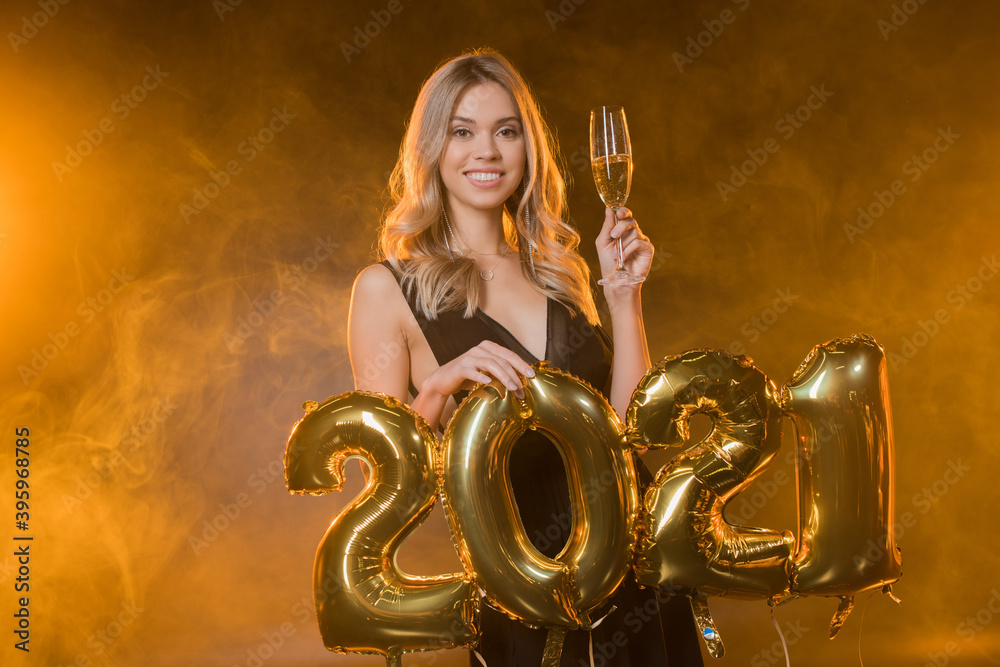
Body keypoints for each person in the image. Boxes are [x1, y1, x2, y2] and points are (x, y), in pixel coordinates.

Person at [348, 48, 703, 666]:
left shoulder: (558, 272)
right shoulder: (386, 288)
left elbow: (627, 443)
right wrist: (437, 387)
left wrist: (623, 298)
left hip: (636, 578)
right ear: (432, 148)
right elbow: (390, 484)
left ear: (527, 149)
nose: (486, 151)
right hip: (524, 587)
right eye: (462, 132)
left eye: (506, 132)